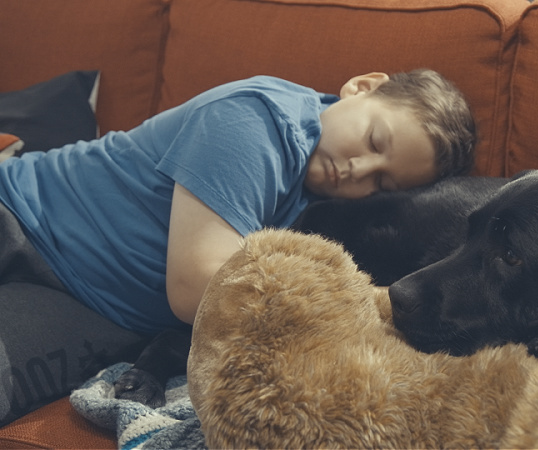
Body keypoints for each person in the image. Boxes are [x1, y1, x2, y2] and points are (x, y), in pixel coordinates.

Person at [0, 68, 477, 425]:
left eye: (382, 182)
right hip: (20, 212)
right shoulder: (259, 119)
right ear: (362, 86)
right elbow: (196, 285)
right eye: (374, 140)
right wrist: (366, 314)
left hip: (92, 307)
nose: (358, 170)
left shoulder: (324, 209)